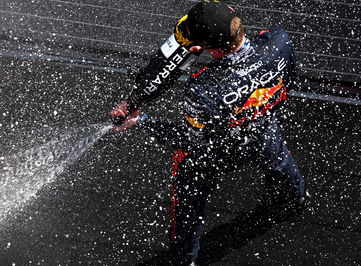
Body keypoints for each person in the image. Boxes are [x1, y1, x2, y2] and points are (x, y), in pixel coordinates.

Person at [110, 1, 305, 265]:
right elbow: (289, 81)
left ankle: (185, 258)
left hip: (213, 153)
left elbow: (189, 140)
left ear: (199, 50)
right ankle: (291, 199)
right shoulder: (279, 40)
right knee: (281, 165)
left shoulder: (203, 88)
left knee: (189, 203)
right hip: (261, 129)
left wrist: (141, 120)